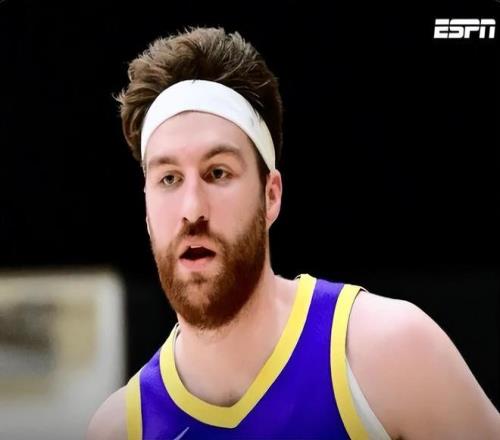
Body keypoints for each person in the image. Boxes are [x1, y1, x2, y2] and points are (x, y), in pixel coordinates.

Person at [87, 27, 499, 440]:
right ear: (146, 211)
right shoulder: (121, 429)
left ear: (270, 196)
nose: (192, 209)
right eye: (169, 178)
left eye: (218, 173)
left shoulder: (390, 351)